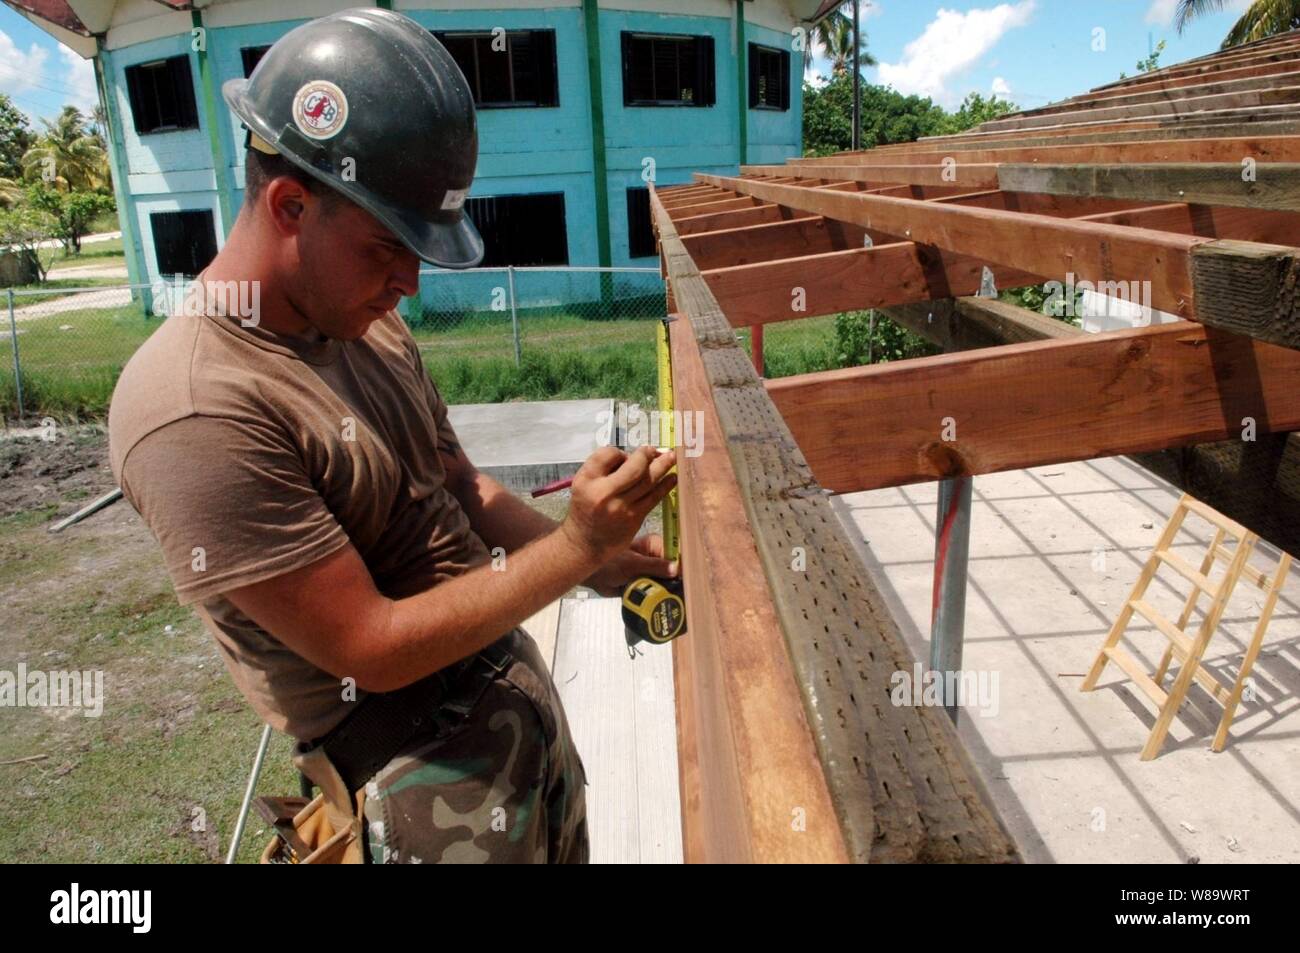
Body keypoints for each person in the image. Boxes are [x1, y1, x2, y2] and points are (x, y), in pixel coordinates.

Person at [108, 7, 677, 864]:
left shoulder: (367, 326)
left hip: (521, 744)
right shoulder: (194, 407)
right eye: (388, 245)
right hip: (420, 799)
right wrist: (573, 549)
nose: (408, 281)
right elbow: (366, 647)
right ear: (290, 203)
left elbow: (465, 491)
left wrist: (609, 559)